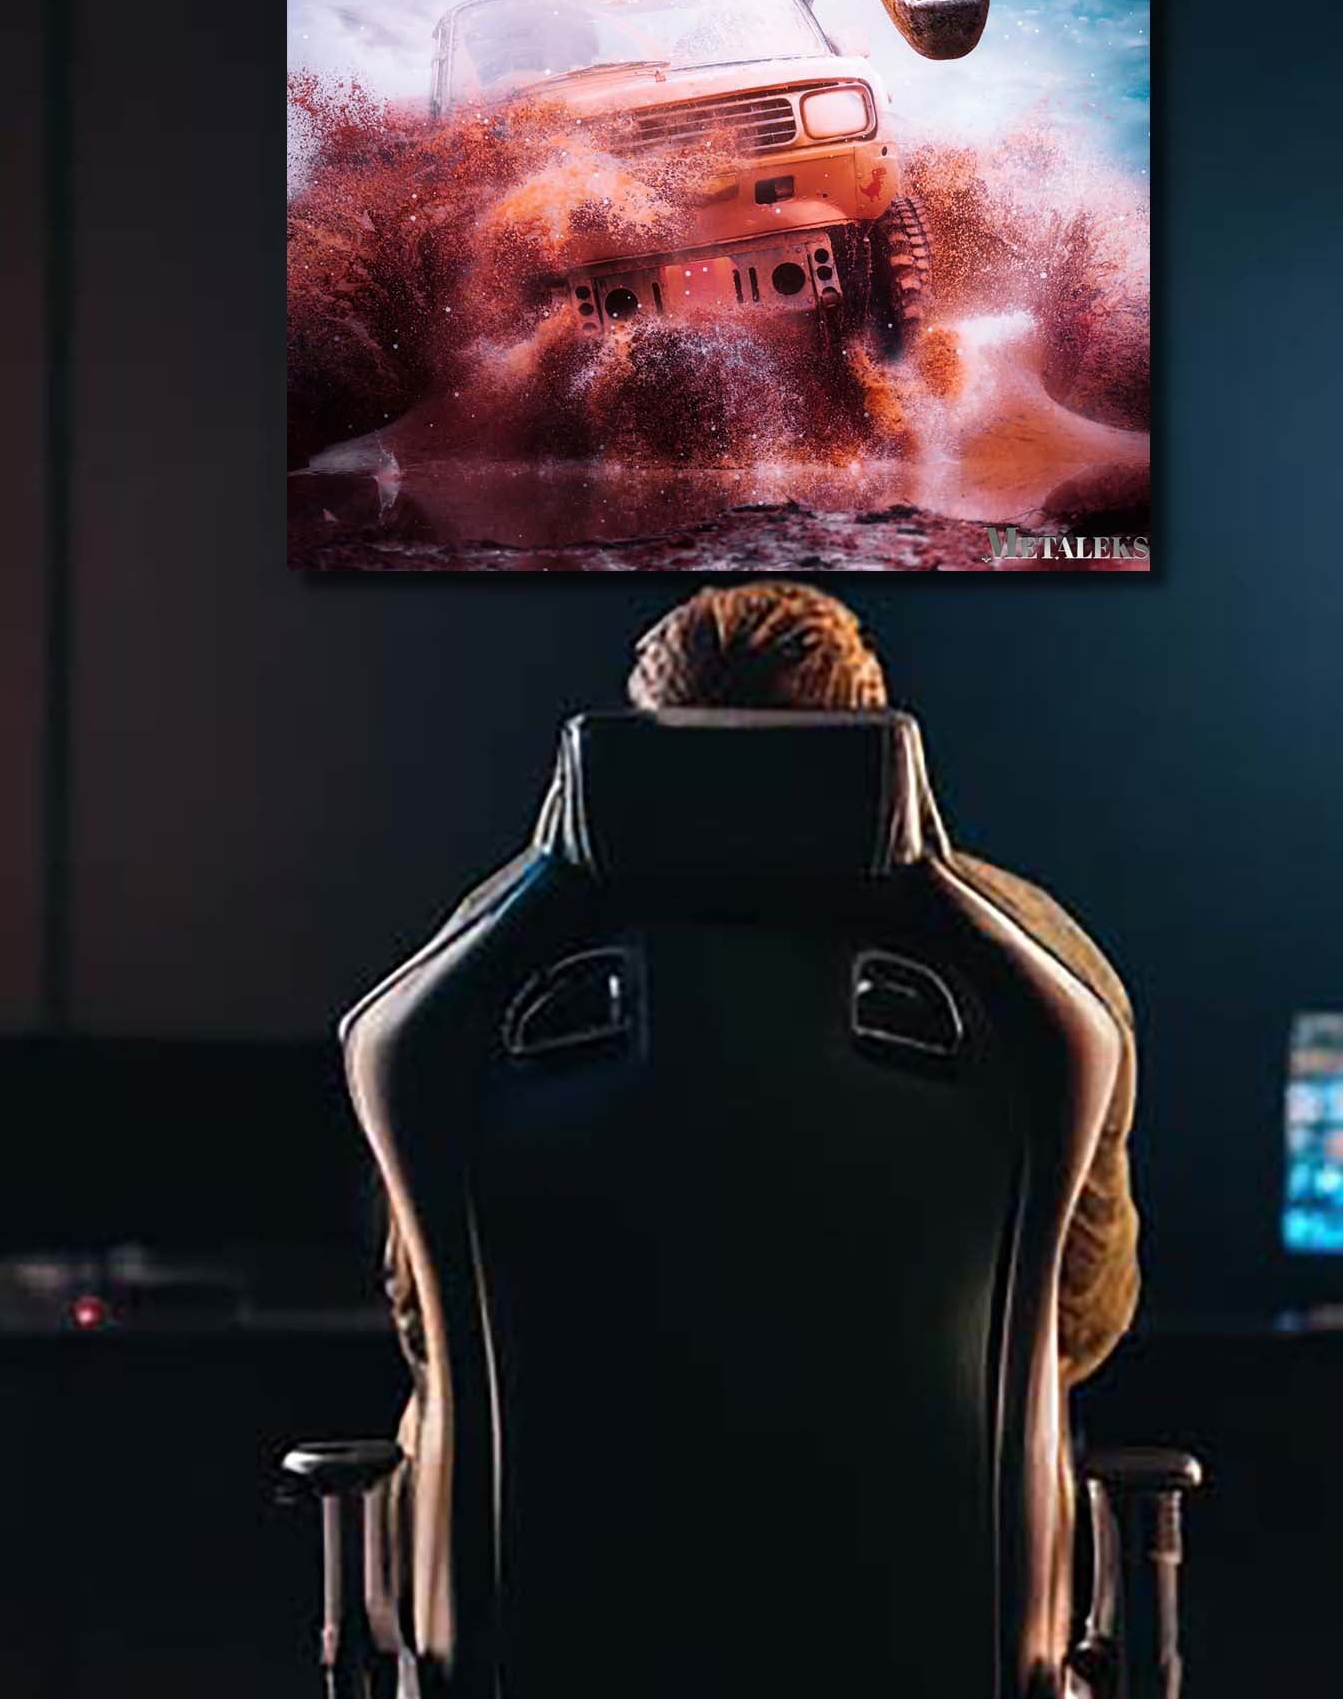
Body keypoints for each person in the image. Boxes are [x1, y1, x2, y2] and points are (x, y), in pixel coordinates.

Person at [377, 578, 1140, 1389]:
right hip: (929, 1501)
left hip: (569, 1495)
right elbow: (1078, 1320)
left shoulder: (490, 958)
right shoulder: (1040, 970)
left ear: (638, 751)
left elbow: (425, 1318)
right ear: (875, 740)